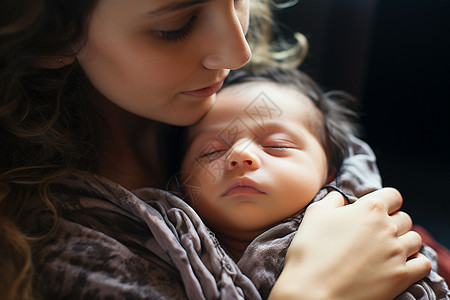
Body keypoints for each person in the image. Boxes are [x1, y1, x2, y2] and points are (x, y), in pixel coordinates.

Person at [0, 0, 432, 299]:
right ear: (52, 36)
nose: (238, 52)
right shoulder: (46, 240)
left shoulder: (253, 97)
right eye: (176, 26)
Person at [179, 67, 450, 299]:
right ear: (181, 180)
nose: (239, 155)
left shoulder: (390, 235)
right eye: (210, 151)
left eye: (277, 145)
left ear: (330, 173)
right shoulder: (168, 249)